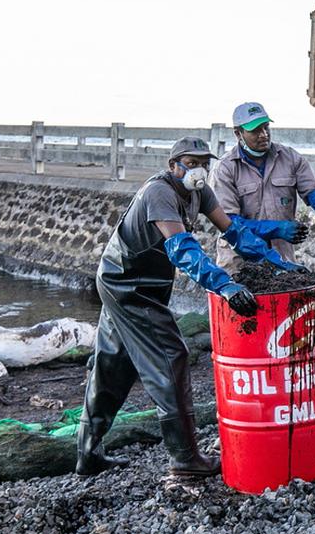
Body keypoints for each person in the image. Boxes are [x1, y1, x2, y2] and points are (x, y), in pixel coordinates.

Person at [77, 136, 302, 478]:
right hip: (128, 286)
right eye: (190, 163)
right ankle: (185, 460)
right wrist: (224, 285)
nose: (198, 170)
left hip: (140, 283)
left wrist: (278, 263)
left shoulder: (200, 193)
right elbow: (183, 249)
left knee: (112, 366)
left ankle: (87, 453)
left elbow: (235, 232)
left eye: (203, 163)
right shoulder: (159, 193)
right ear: (173, 166)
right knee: (171, 356)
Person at [212, 101, 315, 268]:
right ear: (238, 133)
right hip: (239, 263)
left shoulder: (290, 158)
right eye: (255, 130)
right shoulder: (225, 169)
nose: (264, 134)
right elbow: (228, 224)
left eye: (266, 127)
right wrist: (275, 229)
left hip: (283, 261)